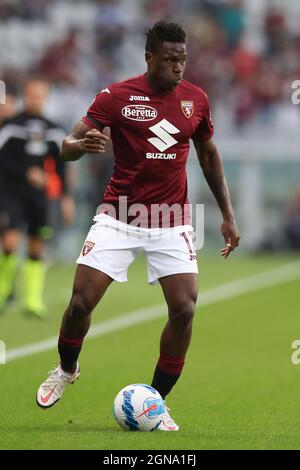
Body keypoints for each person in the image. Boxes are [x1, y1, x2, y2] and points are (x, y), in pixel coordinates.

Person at [36, 21, 240, 430]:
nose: (178, 67)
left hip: (171, 220)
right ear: (149, 58)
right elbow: (66, 146)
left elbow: (209, 155)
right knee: (79, 304)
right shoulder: (116, 97)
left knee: (184, 309)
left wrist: (227, 214)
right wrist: (82, 146)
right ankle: (66, 368)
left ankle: (154, 402)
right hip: (119, 215)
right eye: (169, 59)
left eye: (182, 59)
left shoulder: (195, 101)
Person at [0, 79, 74, 316]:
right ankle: (3, 292)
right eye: (31, 95)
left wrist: (65, 197)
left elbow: (62, 165)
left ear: (46, 98)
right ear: (25, 96)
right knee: (10, 243)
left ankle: (32, 300)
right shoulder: (11, 125)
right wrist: (25, 172)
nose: (35, 99)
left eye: (40, 95)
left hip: (39, 196)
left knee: (36, 246)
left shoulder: (53, 129)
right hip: (12, 193)